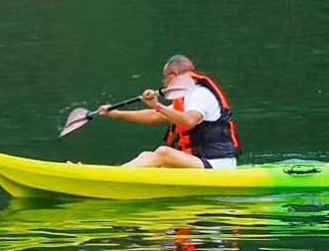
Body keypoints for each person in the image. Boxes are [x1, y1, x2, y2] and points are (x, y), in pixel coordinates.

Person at [96, 55, 241, 169]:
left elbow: (189, 121)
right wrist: (116, 114)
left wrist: (158, 105)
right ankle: (119, 173)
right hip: (200, 162)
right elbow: (154, 116)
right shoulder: (186, 98)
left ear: (174, 74)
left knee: (163, 153)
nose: (165, 84)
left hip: (218, 165)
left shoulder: (200, 94)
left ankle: (114, 176)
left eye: (166, 78)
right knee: (147, 155)